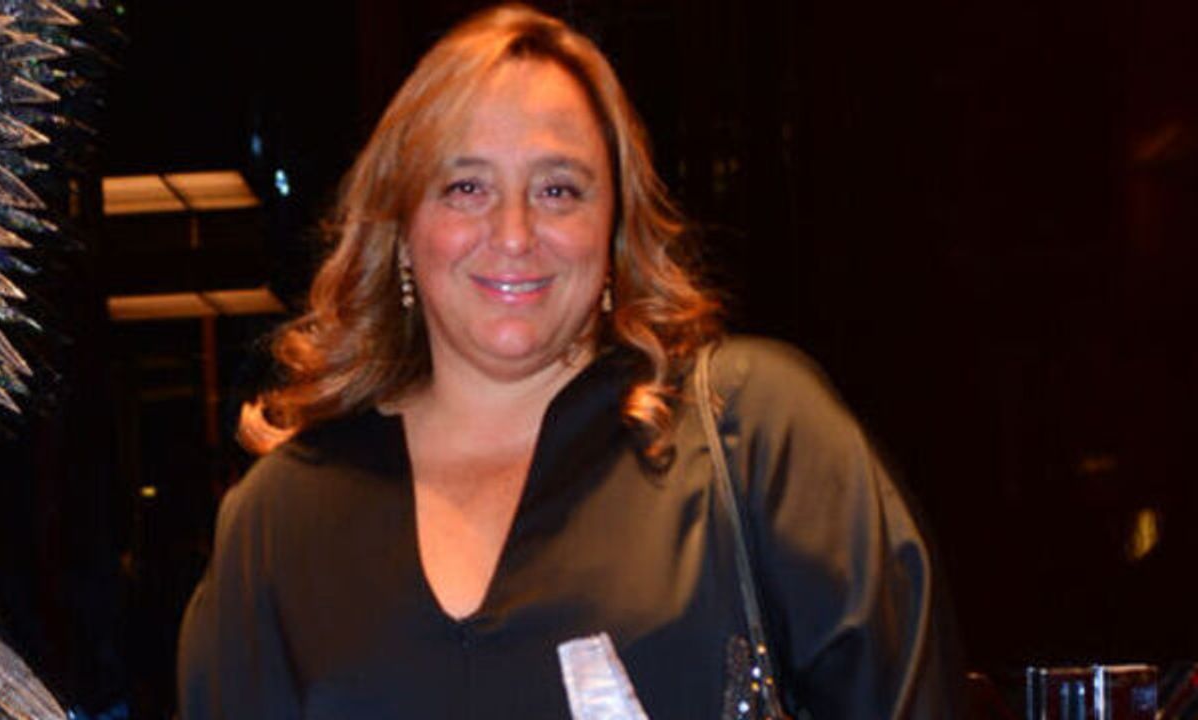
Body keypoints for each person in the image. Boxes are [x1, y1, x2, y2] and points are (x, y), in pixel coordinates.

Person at [177, 4, 960, 718]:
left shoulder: (752, 437)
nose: (514, 233)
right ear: (402, 229)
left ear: (615, 228)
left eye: (558, 190)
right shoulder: (278, 522)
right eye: (466, 187)